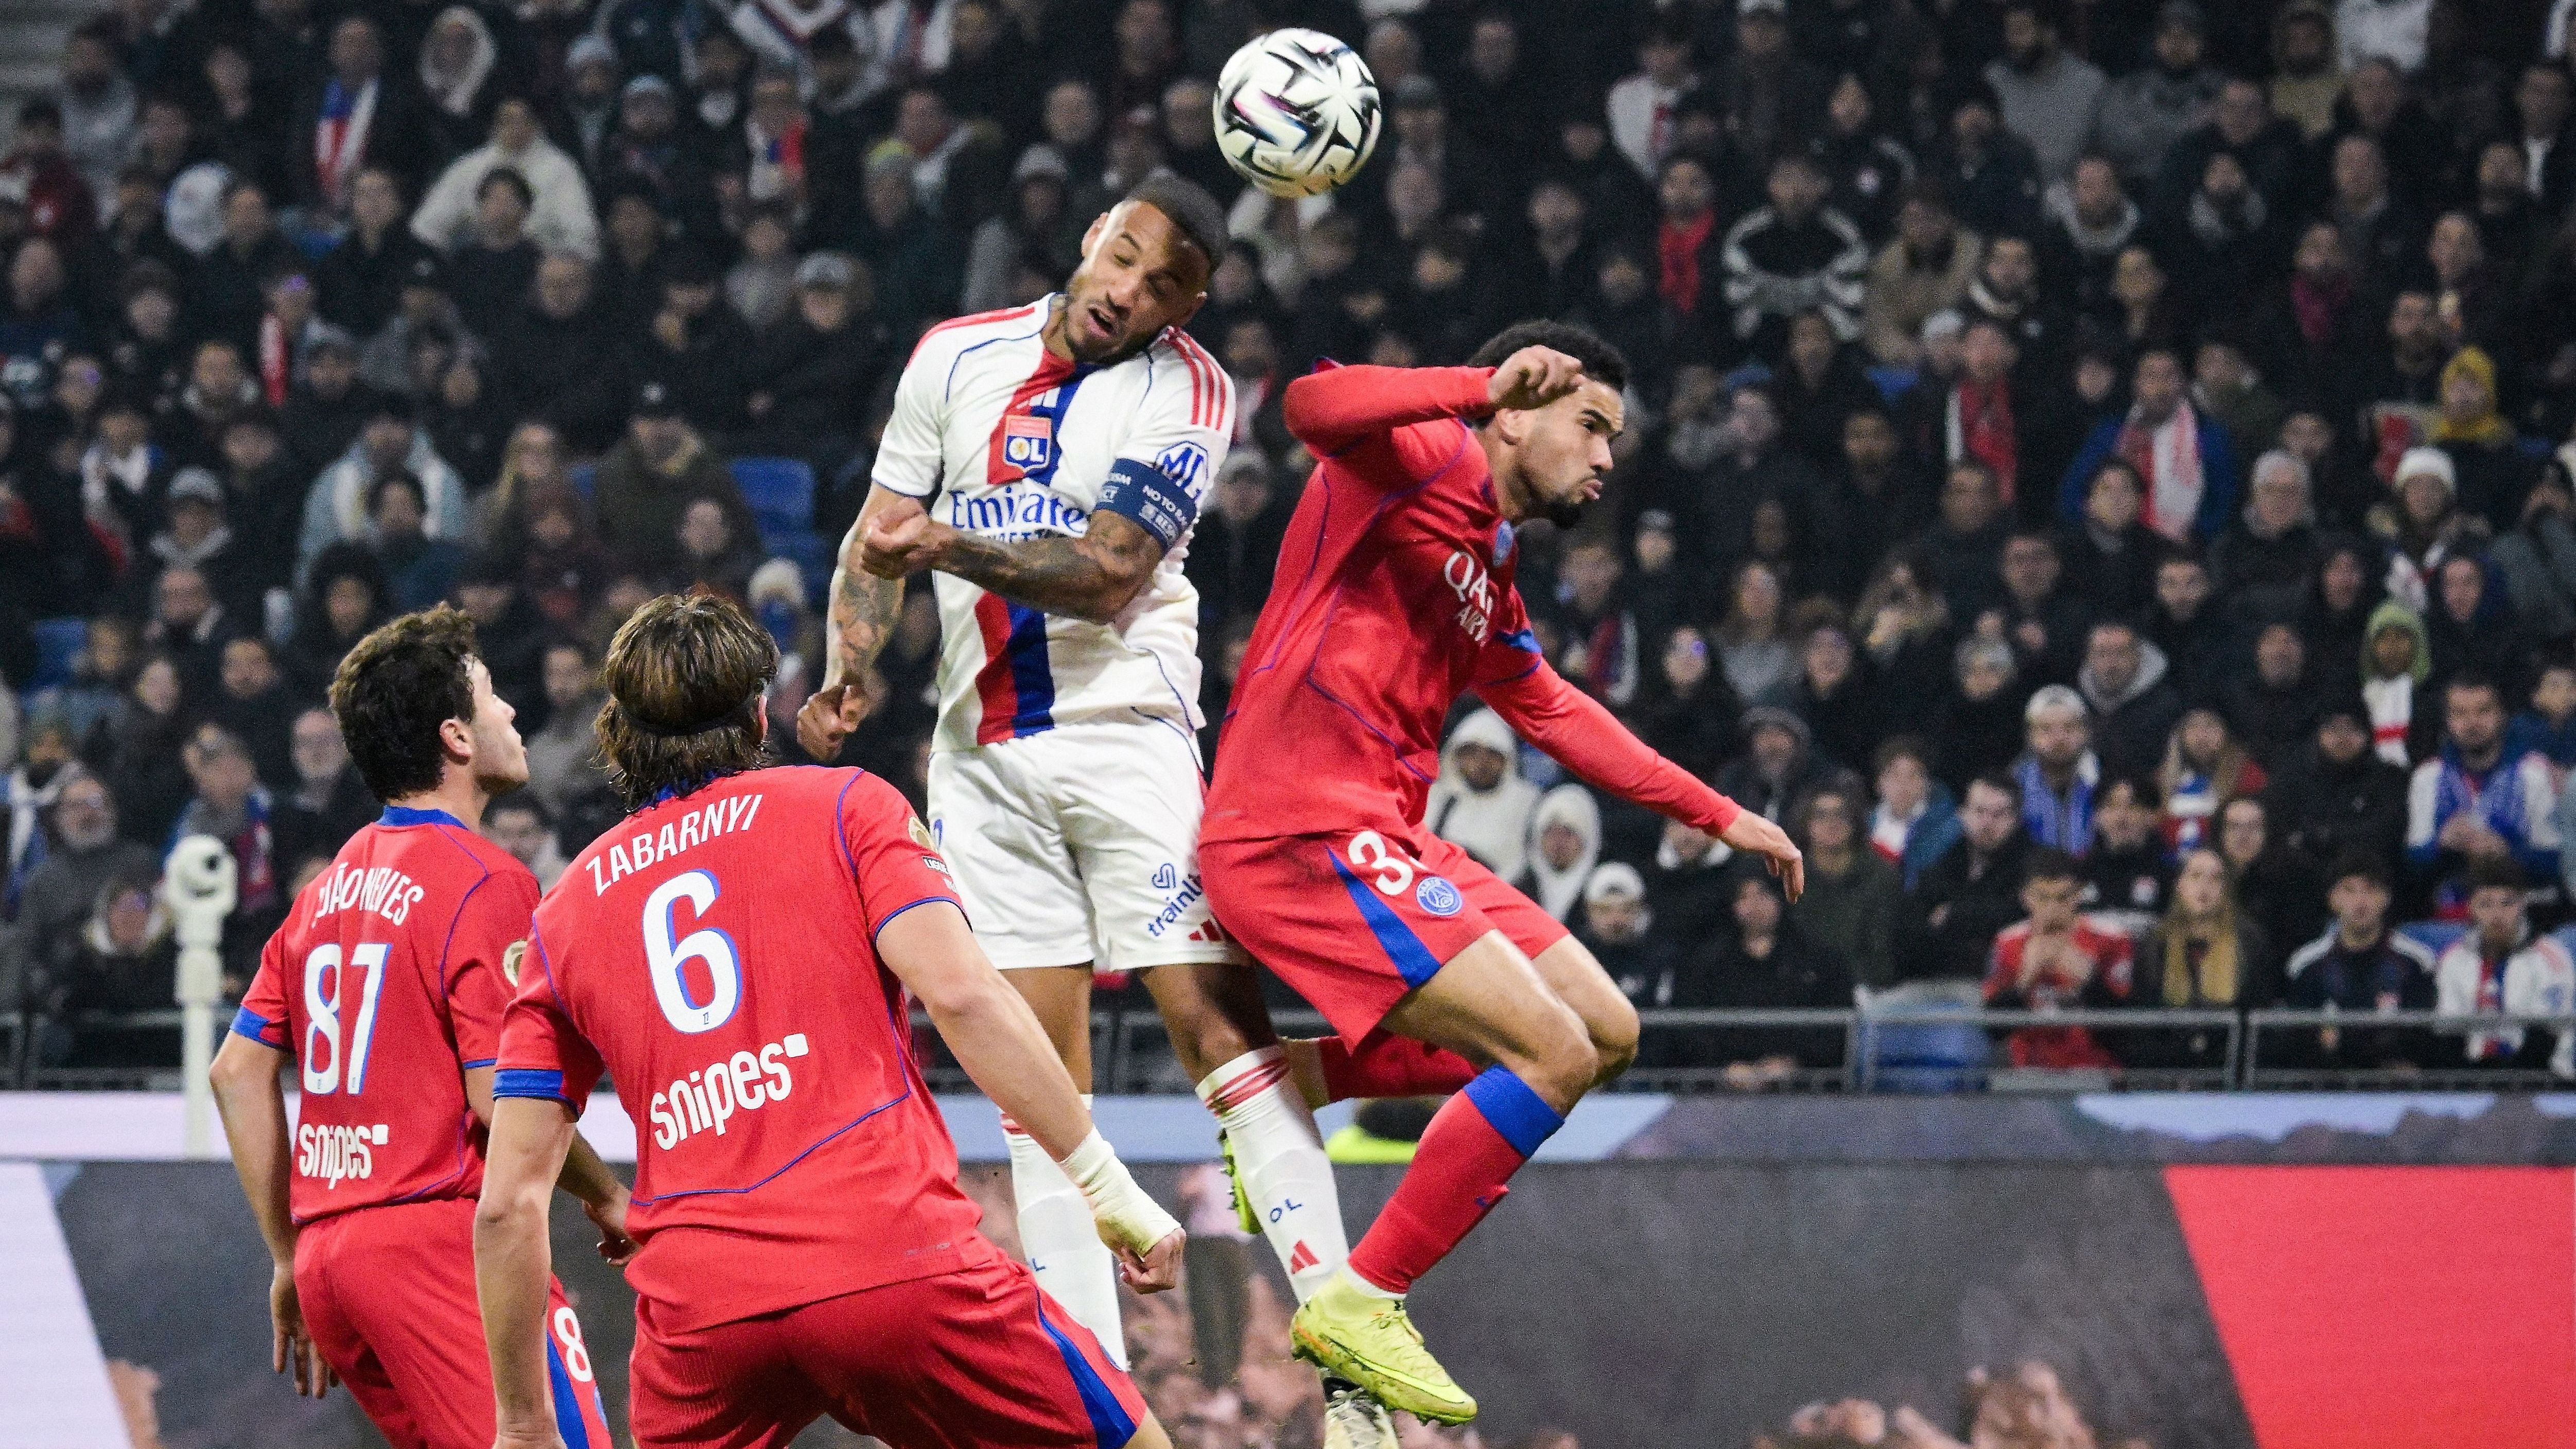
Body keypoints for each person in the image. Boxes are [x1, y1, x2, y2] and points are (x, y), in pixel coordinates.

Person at [792, 171, 1394, 1439]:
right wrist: (851, 666)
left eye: (1165, 283)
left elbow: (1111, 571)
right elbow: (872, 536)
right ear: (1088, 238)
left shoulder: (1188, 391)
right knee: (1036, 1091)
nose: (1129, 290)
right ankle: (1097, 1408)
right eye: (1123, 257)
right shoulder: (953, 355)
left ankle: (1350, 1366)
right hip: (979, 765)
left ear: (1190, 304)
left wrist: (941, 545)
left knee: (1217, 1034)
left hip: (1128, 747)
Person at [1195, 323, 1801, 1424]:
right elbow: (1306, 408)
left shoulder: (1490, 561)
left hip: (1388, 832)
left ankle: (1298, 1081)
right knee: (1550, 1053)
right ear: (1519, 409)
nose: (1608, 458)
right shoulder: (1415, 456)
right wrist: (1471, 387)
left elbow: (1554, 710)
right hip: (1298, 826)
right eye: (1592, 425)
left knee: (1605, 1030)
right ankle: (1362, 1300)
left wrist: (1716, 813)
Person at [479, 592, 1187, 1449]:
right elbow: (963, 997)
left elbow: (507, 1205)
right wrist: (1108, 1192)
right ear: (756, 714)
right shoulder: (846, 807)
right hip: (892, 1267)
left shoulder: (562, 914)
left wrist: (520, 1424)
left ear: (616, 732)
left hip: (704, 1323)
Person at [206, 606, 629, 1449]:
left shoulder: (326, 891)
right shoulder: (485, 880)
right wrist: (609, 1193)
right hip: (434, 1247)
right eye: (492, 697)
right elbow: (498, 1096)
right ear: (456, 737)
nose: (510, 712)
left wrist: (290, 1253)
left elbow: (235, 1072)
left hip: (332, 1263)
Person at [2406, 674, 2561, 919]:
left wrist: (2508, 851)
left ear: (2501, 716)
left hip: (2524, 914)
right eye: (2460, 714)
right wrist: (2440, 844)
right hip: (2449, 917)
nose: (2472, 722)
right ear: (2447, 721)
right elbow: (2411, 864)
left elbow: (2555, 862)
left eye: (2483, 711)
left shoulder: (2533, 772)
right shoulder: (2429, 776)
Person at [2276, 852, 2436, 1074]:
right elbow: (2298, 1043)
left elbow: (2421, 1039)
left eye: (2370, 889)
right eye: (2349, 890)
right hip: (2324, 1089)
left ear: (2386, 898)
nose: (2361, 901)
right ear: (2333, 899)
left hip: (2395, 1089)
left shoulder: (2416, 961)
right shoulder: (2306, 964)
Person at [1982, 847, 2133, 1070]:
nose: (2053, 908)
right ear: (2026, 897)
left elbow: (2127, 1034)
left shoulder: (2112, 940)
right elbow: (1993, 1030)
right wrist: (2024, 980)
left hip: (2096, 1071)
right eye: (2042, 898)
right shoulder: (2007, 942)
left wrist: (2090, 981)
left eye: (2063, 898)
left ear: (2079, 894)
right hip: (2028, 1072)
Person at [2430, 860, 2573, 1078]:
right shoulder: (2454, 959)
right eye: (2486, 904)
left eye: (2507, 904)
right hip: (2471, 1078)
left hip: (2543, 1077)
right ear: (2471, 907)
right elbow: (2449, 1032)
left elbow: (2548, 1035)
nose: (2497, 914)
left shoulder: (2550, 957)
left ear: (2522, 904)